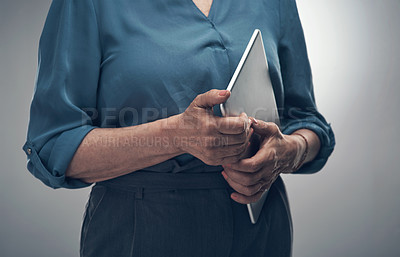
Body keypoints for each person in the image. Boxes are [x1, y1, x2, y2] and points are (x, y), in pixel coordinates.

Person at [23, 0, 335, 256]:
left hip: (263, 232)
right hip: (143, 234)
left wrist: (289, 151)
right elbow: (53, 145)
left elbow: (306, 120)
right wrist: (176, 136)